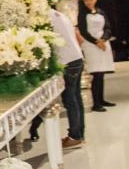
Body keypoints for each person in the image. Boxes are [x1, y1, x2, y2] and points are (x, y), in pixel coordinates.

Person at [28, 8, 86, 149]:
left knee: (70, 100)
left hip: (67, 60)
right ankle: (79, 135)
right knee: (76, 98)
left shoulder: (44, 17)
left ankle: (75, 136)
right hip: (77, 57)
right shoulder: (59, 14)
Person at [77, 0, 115, 112]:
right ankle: (96, 103)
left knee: (101, 73)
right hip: (91, 45)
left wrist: (103, 39)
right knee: (96, 74)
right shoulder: (82, 14)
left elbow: (107, 28)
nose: (88, 2)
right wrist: (96, 42)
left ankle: (101, 99)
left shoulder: (101, 12)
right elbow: (83, 31)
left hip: (103, 44)